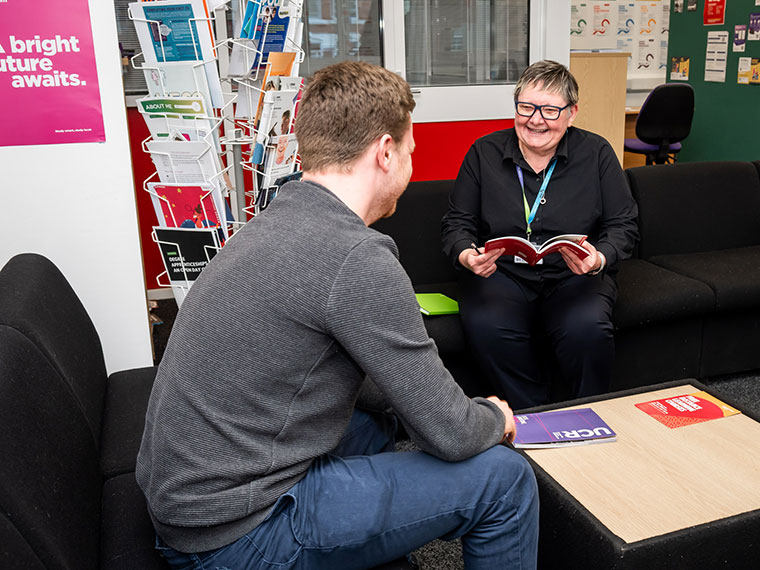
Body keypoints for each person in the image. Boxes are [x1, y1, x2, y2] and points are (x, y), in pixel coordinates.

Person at [137, 61, 539, 570]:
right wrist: (491, 417)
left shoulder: (276, 220)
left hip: (187, 500)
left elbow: (377, 386)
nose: (411, 167)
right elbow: (454, 434)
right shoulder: (357, 257)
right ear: (386, 152)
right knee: (504, 479)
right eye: (411, 152)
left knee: (378, 416)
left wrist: (437, 410)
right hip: (235, 536)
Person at [442, 60, 638, 410]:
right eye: (526, 107)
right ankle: (532, 415)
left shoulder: (597, 154)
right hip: (504, 275)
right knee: (487, 324)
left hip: (574, 275)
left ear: (572, 112)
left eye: (549, 110)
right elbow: (457, 223)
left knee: (587, 328)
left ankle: (587, 412)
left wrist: (598, 258)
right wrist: (467, 256)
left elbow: (623, 225)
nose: (536, 120)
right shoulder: (483, 153)